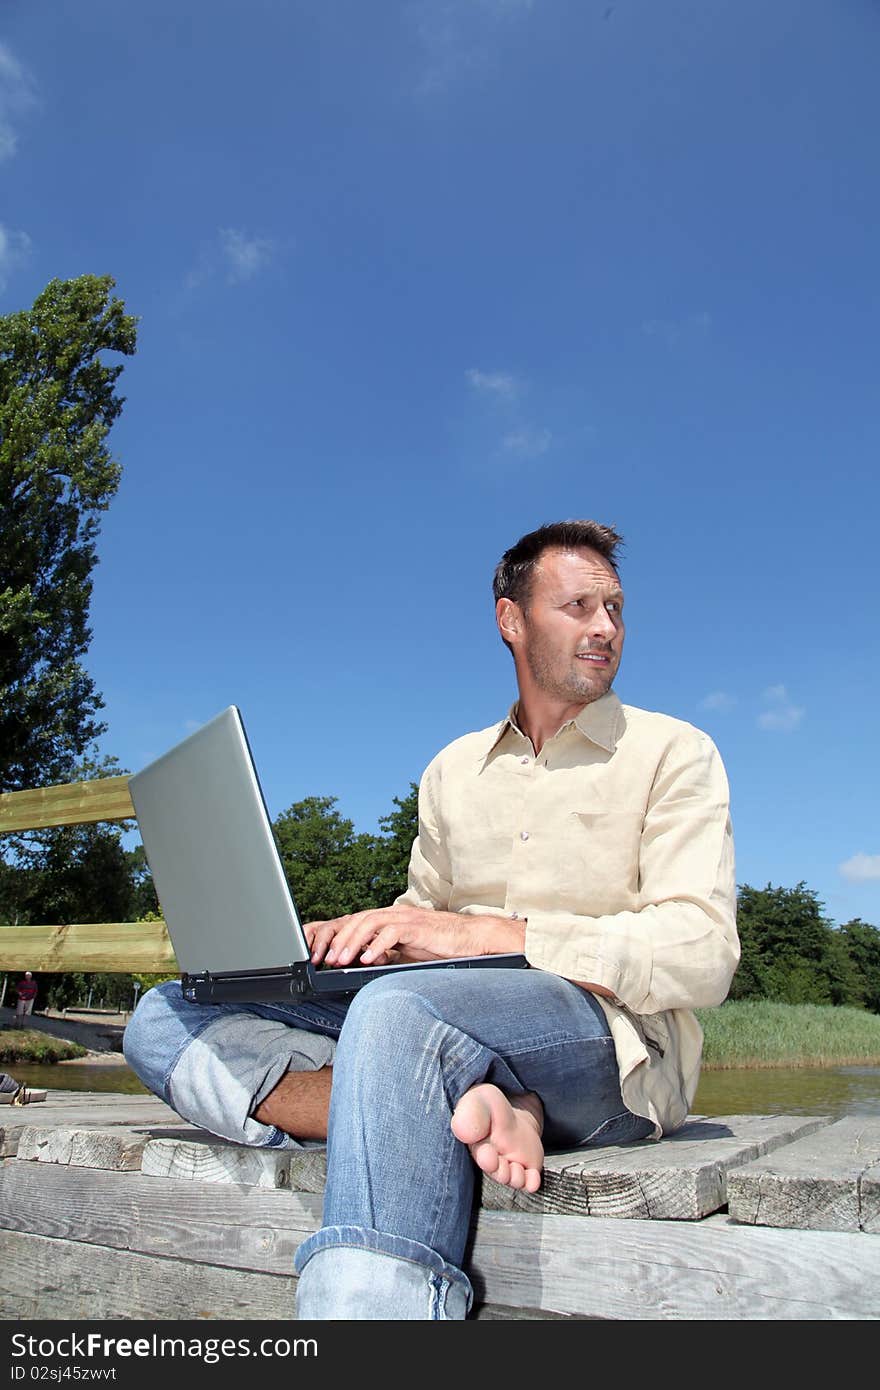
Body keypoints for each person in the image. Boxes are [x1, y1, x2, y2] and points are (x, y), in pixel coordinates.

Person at [123, 519, 739, 1320]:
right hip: (440, 1010)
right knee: (166, 1015)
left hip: (610, 1042)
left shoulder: (675, 752)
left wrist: (496, 936)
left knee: (398, 1012)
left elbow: (703, 954)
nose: (604, 628)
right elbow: (424, 920)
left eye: (615, 608)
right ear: (511, 621)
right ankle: (476, 1104)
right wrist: (357, 938)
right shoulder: (452, 770)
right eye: (578, 605)